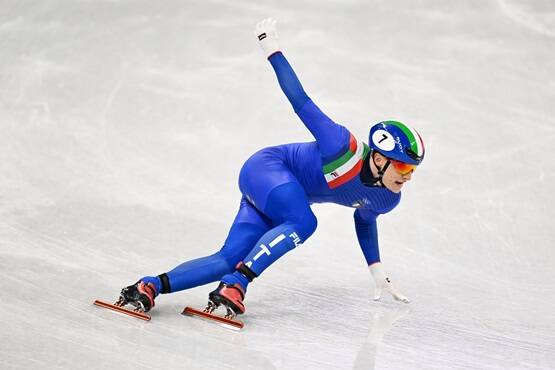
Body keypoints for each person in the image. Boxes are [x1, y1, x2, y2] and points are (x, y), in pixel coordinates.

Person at [118, 18, 425, 318]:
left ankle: (149, 286)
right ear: (380, 158)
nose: (407, 176)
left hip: (278, 198)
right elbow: (300, 100)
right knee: (304, 222)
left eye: (412, 170)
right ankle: (237, 285)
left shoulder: (389, 197)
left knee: (228, 259)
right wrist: (272, 48)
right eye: (402, 165)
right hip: (267, 169)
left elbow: (365, 217)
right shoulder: (341, 147)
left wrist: (376, 268)